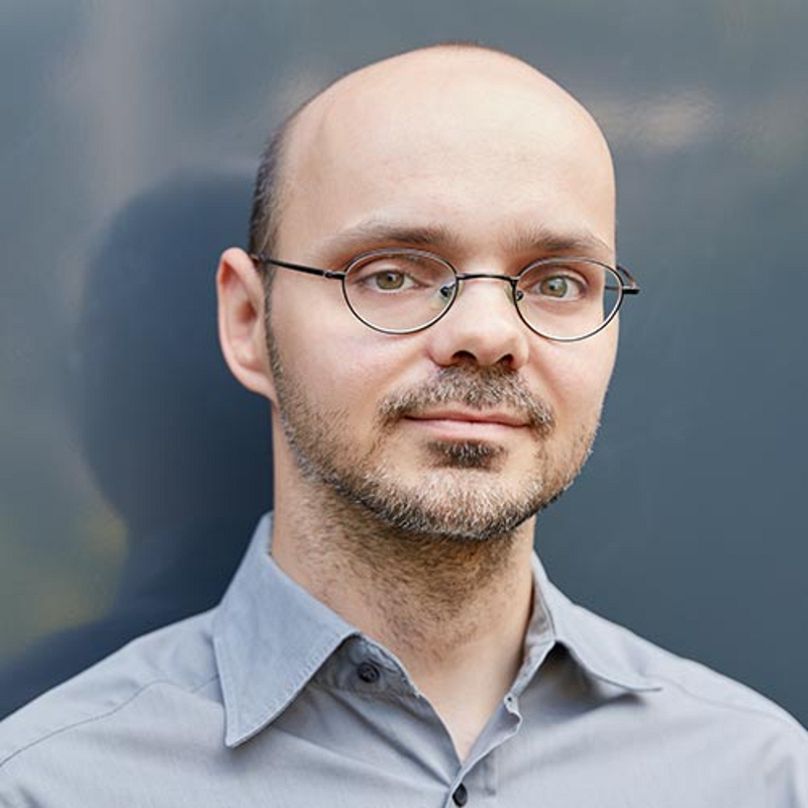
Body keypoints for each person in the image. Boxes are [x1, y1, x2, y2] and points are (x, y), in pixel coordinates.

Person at [1, 43, 805, 807]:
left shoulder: (758, 778)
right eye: (391, 274)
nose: (490, 334)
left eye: (557, 282)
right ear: (249, 321)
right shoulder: (51, 786)